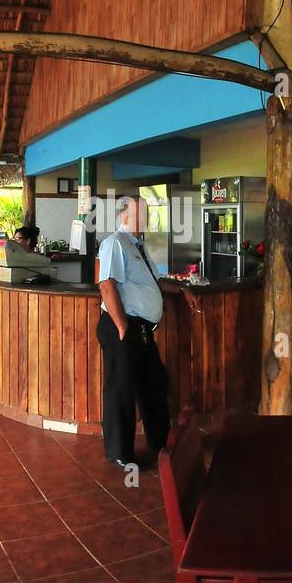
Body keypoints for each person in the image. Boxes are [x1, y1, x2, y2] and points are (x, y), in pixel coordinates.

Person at [94, 194, 172, 471]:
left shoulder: (137, 246)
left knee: (154, 383)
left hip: (141, 330)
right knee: (121, 390)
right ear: (123, 217)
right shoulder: (114, 242)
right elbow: (107, 285)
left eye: (147, 213)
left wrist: (184, 290)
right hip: (123, 327)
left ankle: (160, 443)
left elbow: (156, 281)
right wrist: (122, 326)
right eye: (140, 213)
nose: (145, 219)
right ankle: (120, 453)